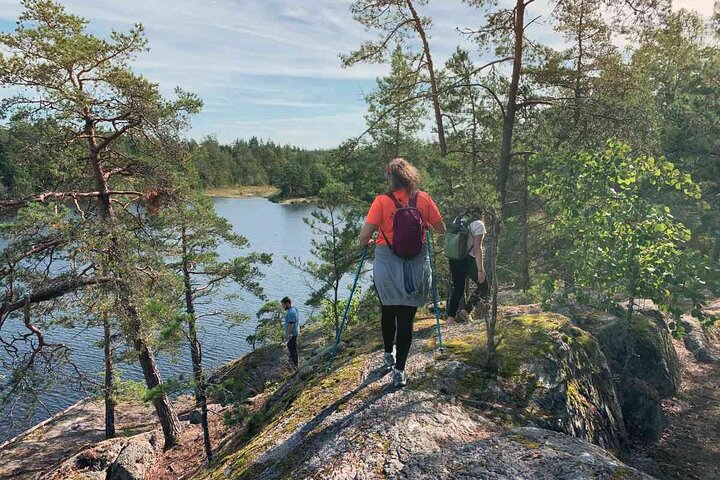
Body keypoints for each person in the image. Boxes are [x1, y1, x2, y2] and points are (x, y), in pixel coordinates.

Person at [359, 158, 445, 388]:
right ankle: (400, 371)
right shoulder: (424, 199)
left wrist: (369, 240)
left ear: (390, 178)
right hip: (416, 263)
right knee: (407, 319)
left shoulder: (381, 201)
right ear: (411, 176)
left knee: (388, 311)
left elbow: (363, 236)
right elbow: (441, 229)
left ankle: (388, 353)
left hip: (387, 262)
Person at [446, 214, 489, 324]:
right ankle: (466, 310)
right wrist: (480, 270)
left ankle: (450, 318)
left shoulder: (458, 218)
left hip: (454, 257)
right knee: (484, 286)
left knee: (458, 289)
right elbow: (477, 248)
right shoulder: (478, 224)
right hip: (469, 259)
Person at [281, 296, 299, 368]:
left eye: (283, 305)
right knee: (291, 346)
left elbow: (291, 324)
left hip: (292, 333)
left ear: (287, 304)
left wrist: (288, 334)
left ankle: (295, 365)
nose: (283, 306)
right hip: (294, 332)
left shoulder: (291, 312)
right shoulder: (294, 309)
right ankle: (293, 361)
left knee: (292, 347)